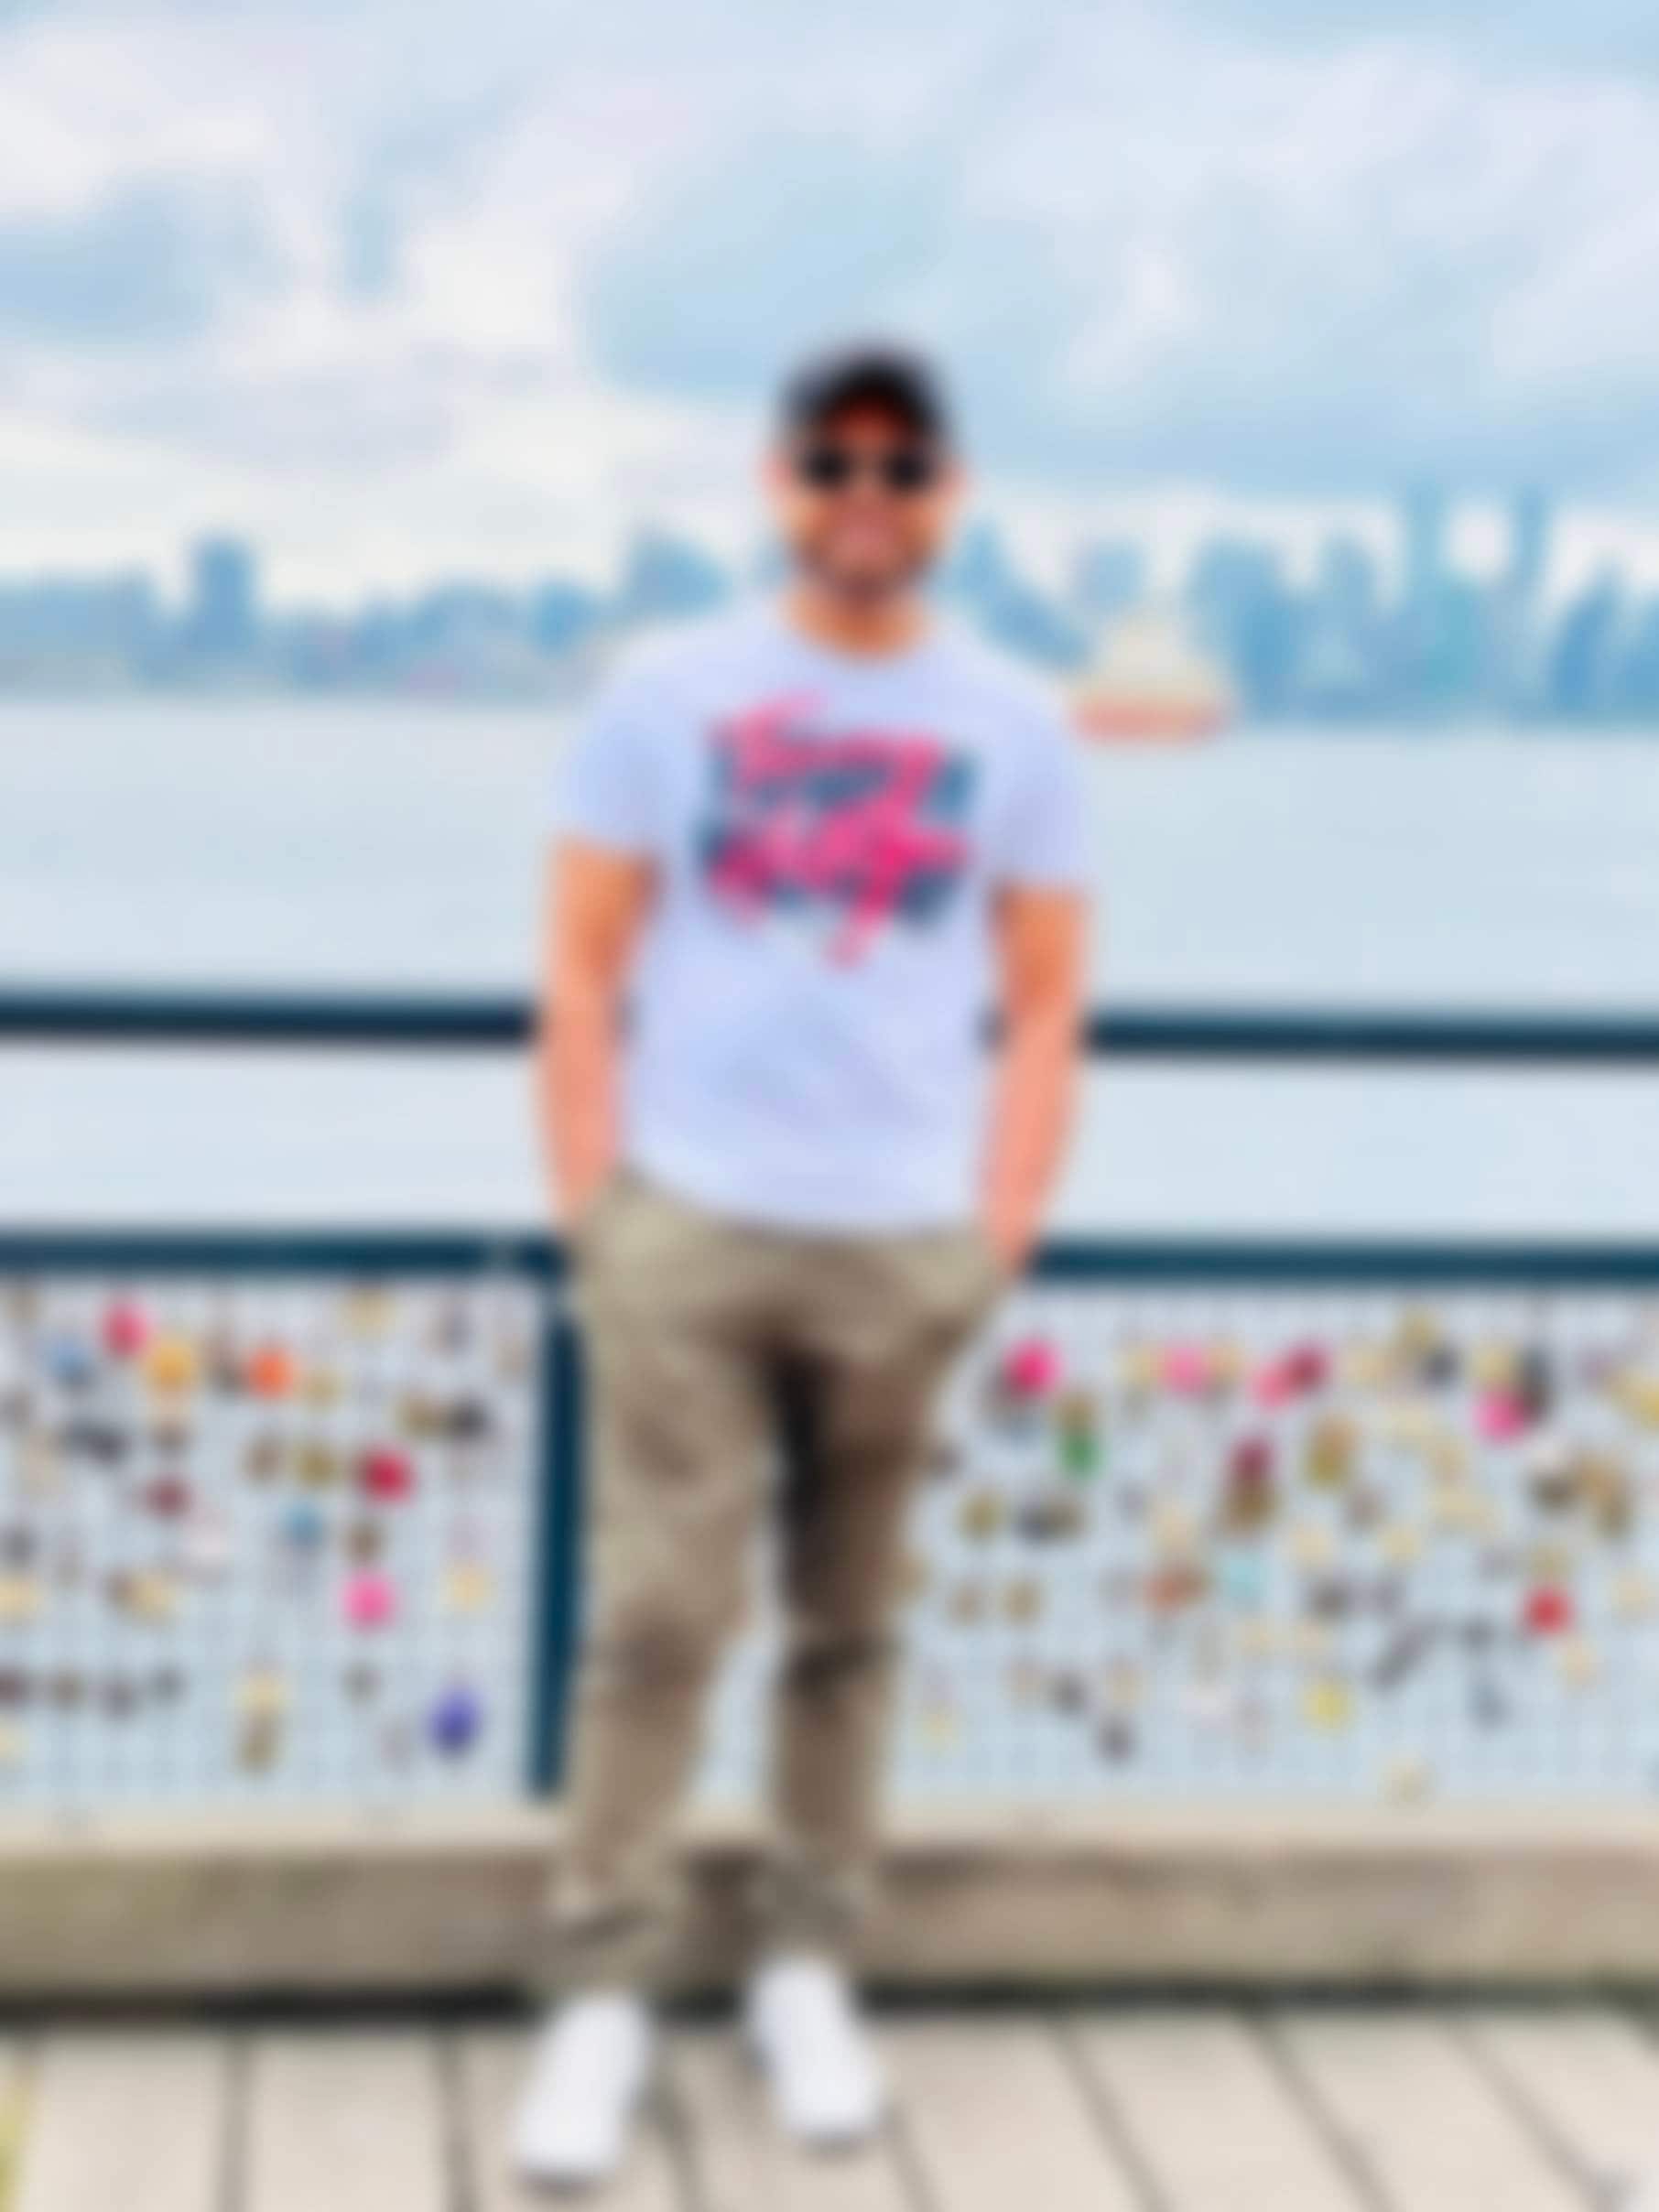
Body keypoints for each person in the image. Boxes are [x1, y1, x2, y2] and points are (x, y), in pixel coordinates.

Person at [515, 341, 1090, 2185]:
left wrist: (999, 1230)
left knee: (847, 1632)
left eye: (901, 466)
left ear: (950, 495)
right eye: (832, 462)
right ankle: (603, 1989)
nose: (865, 495)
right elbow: (583, 962)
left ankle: (805, 1967)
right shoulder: (665, 690)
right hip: (690, 1224)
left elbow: (1047, 992)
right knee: (656, 1622)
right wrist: (596, 1214)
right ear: (777, 483)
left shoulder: (1018, 721)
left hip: (903, 1243)